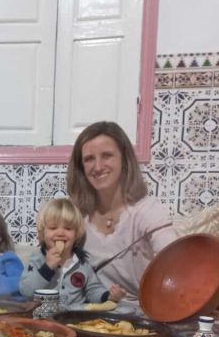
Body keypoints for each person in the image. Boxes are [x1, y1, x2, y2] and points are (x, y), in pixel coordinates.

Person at [66, 121, 177, 305]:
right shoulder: (75, 216)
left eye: (107, 156)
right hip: (91, 317)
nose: (98, 166)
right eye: (89, 159)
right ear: (81, 167)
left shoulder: (146, 210)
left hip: (145, 318)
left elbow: (176, 260)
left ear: (124, 160)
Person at [20, 198, 125, 309]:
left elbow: (93, 290)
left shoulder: (82, 263)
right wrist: (47, 267)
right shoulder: (38, 259)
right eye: (53, 228)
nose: (60, 233)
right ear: (43, 232)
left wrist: (109, 296)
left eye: (68, 228)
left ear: (76, 234)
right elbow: (26, 291)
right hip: (44, 316)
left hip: (74, 318)